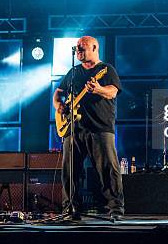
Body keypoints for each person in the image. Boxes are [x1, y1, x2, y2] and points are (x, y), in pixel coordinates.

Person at [53, 36, 124, 220]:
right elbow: (58, 94)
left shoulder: (106, 70)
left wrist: (98, 89)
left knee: (108, 170)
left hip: (100, 127)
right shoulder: (74, 72)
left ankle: (115, 210)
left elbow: (113, 91)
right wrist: (58, 106)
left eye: (82, 48)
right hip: (74, 129)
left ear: (94, 48)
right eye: (77, 48)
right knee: (69, 171)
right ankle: (70, 210)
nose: (78, 51)